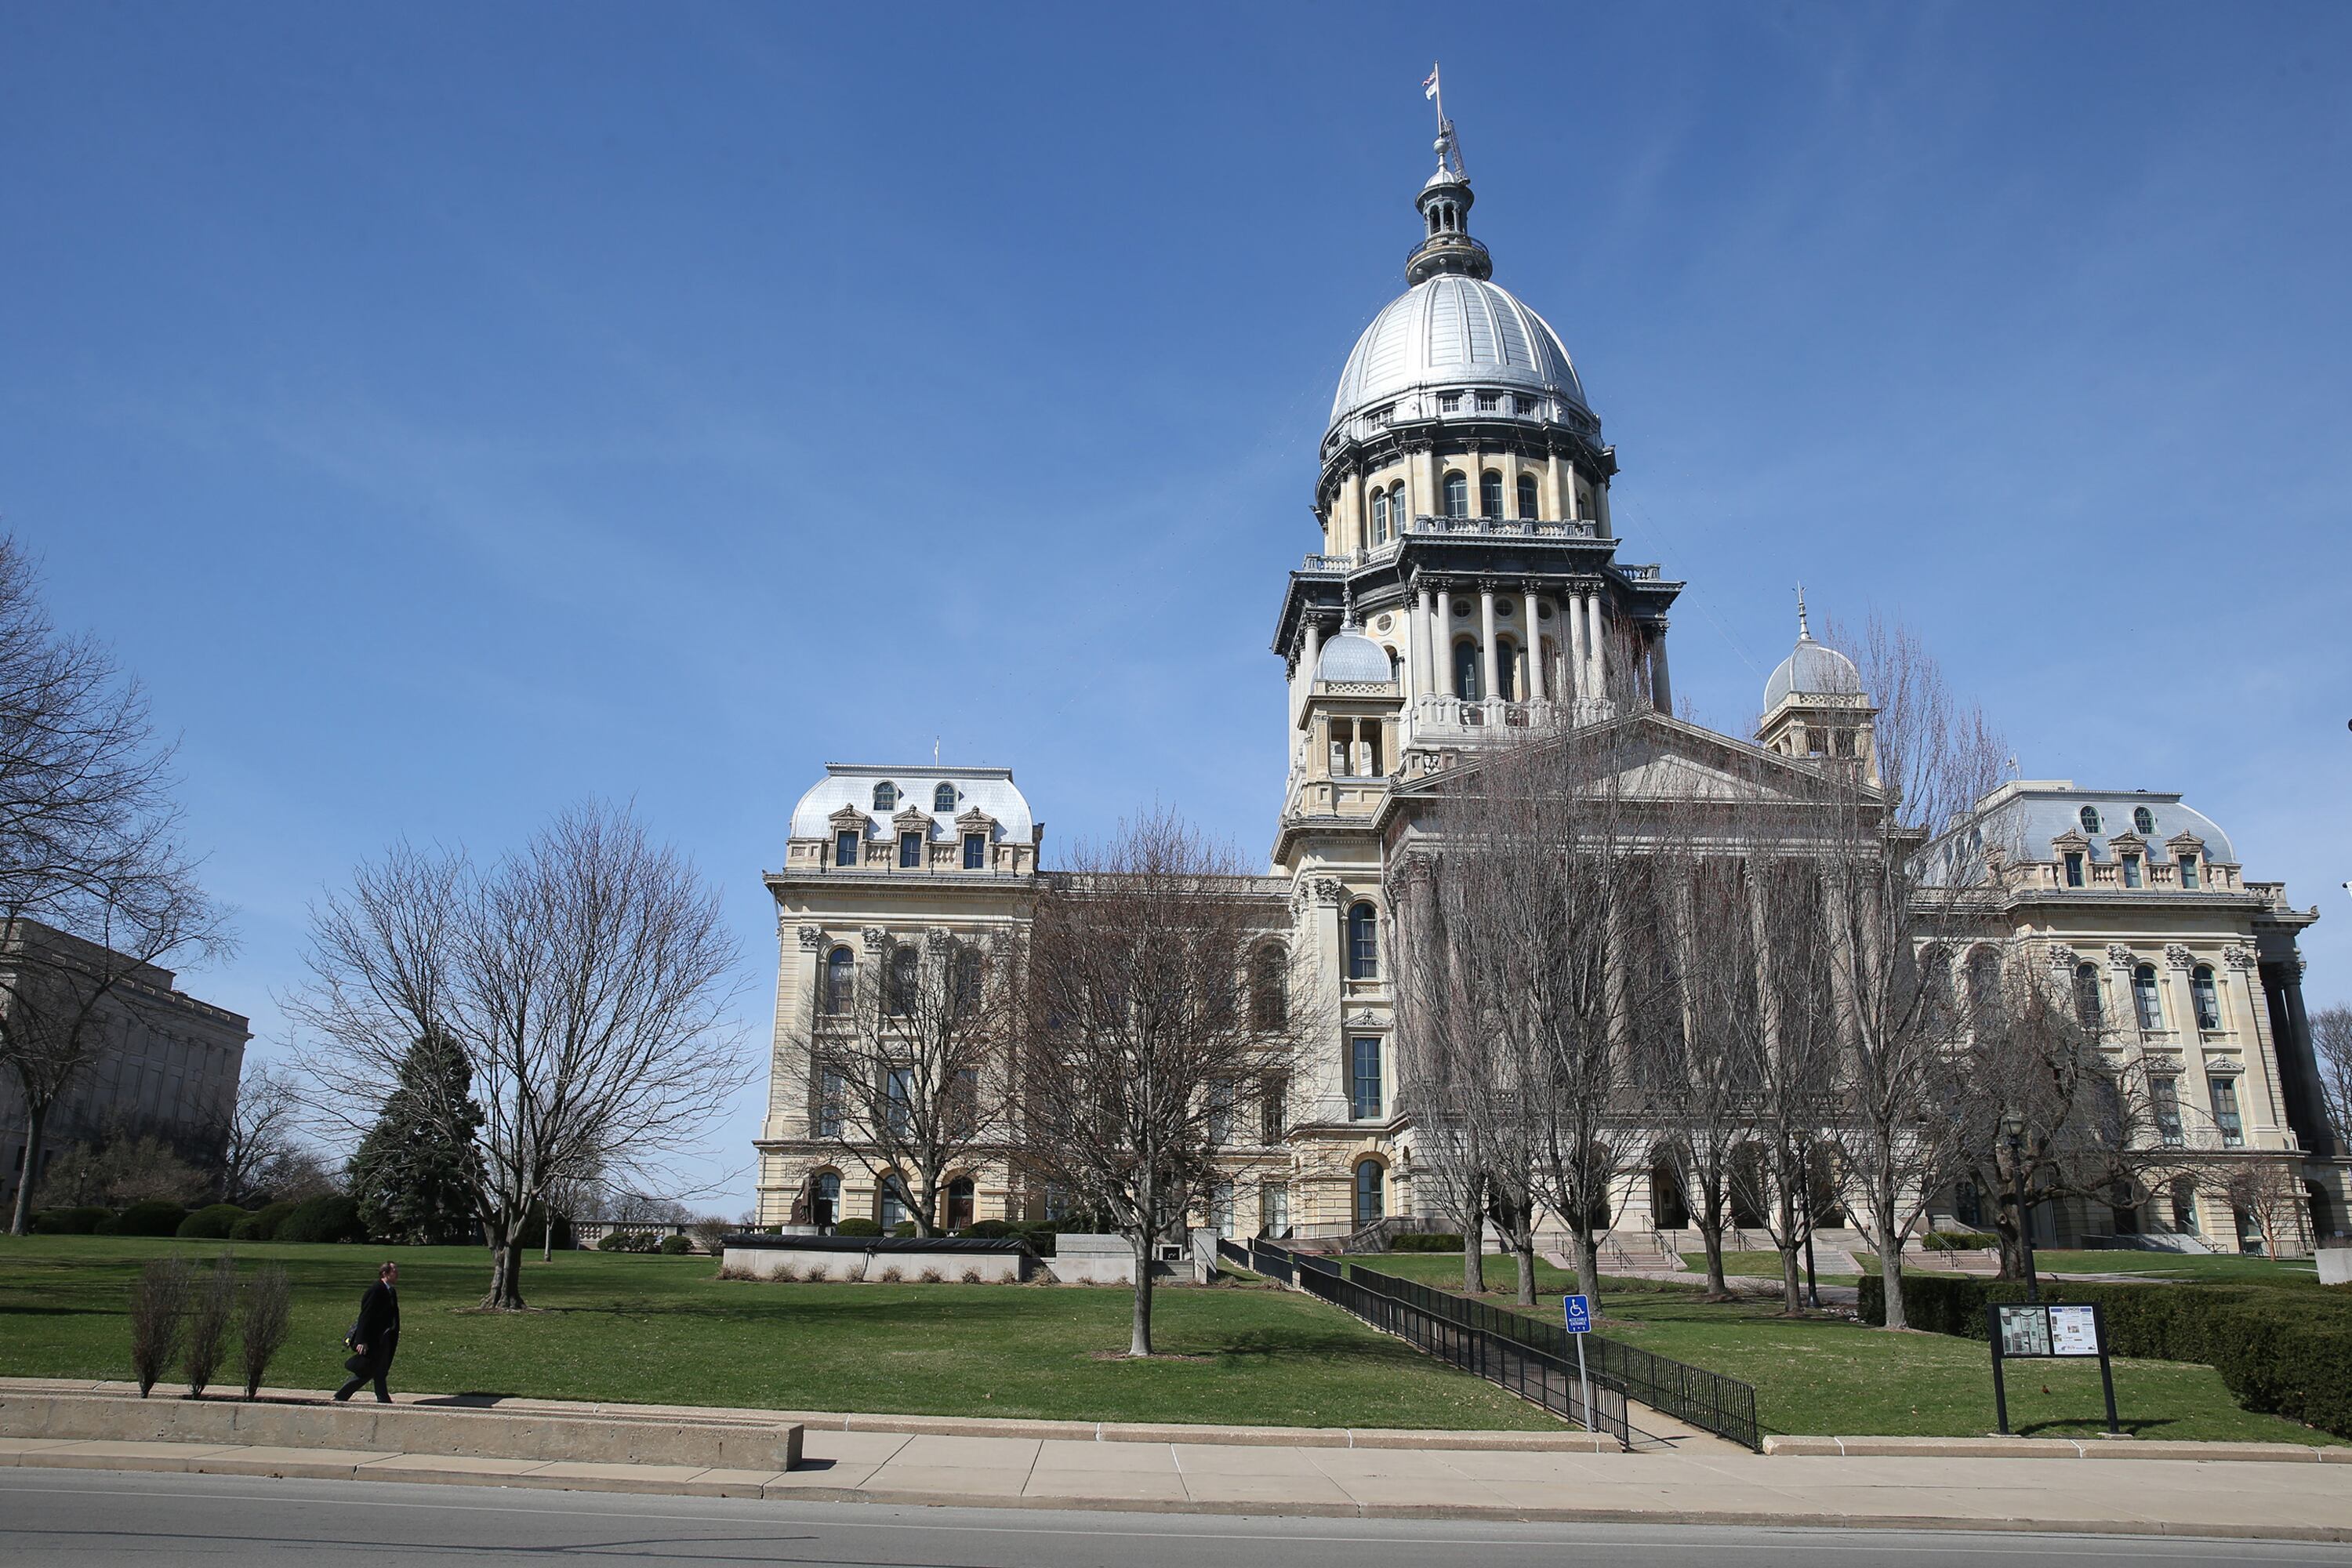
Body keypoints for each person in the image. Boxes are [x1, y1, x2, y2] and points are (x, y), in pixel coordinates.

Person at [334, 1261, 401, 1403]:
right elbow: (365, 1316)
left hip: (385, 1337)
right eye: (394, 1271)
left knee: (381, 1370)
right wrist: (362, 1341)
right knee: (367, 1370)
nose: (397, 1274)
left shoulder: (390, 1291)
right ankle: (341, 1395)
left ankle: (383, 1398)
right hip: (373, 1338)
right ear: (385, 1273)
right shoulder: (376, 1290)